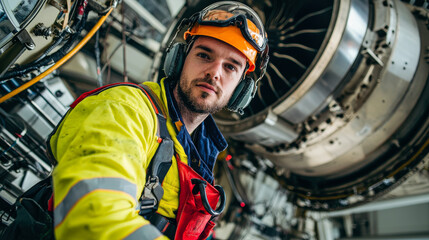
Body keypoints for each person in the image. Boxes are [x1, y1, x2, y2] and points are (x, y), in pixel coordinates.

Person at [48, 1, 269, 239]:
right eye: (204, 55)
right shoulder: (125, 110)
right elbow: (93, 213)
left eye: (231, 67)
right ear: (179, 58)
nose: (215, 72)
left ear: (241, 90)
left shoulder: (199, 153)